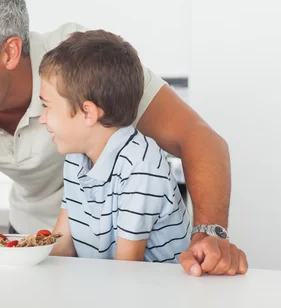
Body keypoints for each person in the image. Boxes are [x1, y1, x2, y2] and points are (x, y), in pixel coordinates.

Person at [0, 0, 247, 275]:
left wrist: (209, 235)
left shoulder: (81, 66)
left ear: (10, 52)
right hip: (40, 237)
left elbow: (201, 139)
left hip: (119, 252)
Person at [41, 29, 189, 262]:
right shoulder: (76, 158)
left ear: (87, 112)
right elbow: (61, 246)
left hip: (154, 294)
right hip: (107, 288)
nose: (42, 118)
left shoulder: (141, 164)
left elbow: (126, 269)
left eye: (47, 106)